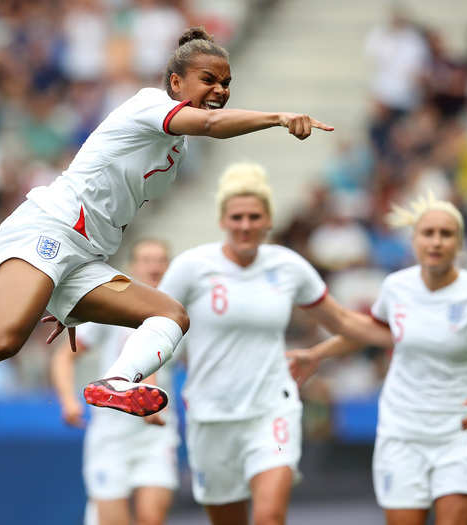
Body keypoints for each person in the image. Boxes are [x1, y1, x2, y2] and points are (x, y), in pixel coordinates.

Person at [0, 26, 334, 454]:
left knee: (171, 316)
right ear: (176, 81)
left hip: (81, 256)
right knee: (3, 339)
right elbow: (208, 123)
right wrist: (275, 117)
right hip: (48, 229)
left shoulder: (176, 150)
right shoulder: (149, 106)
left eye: (226, 83)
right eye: (210, 80)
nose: (221, 90)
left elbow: (120, 199)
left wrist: (66, 296)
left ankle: (117, 380)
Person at [157, 163, 392, 525]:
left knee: (269, 515)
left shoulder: (288, 267)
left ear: (268, 221)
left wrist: (404, 332)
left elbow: (342, 321)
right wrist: (146, 380)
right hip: (211, 414)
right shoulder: (192, 266)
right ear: (223, 220)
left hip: (272, 409)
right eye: (237, 217)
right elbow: (154, 326)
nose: (246, 225)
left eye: (255, 216)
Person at [289, 192, 467, 525]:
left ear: (459, 244)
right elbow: (373, 331)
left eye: (446, 234)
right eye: (427, 233)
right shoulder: (396, 288)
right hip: (401, 432)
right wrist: (317, 354)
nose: (436, 241)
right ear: (414, 240)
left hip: (459, 433)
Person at [51, 239, 179, 525]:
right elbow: (64, 356)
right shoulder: (114, 309)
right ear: (134, 266)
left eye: (160, 260)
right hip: (111, 432)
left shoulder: (178, 315)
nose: (154, 267)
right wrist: (68, 401)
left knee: (152, 518)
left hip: (156, 433)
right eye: (147, 260)